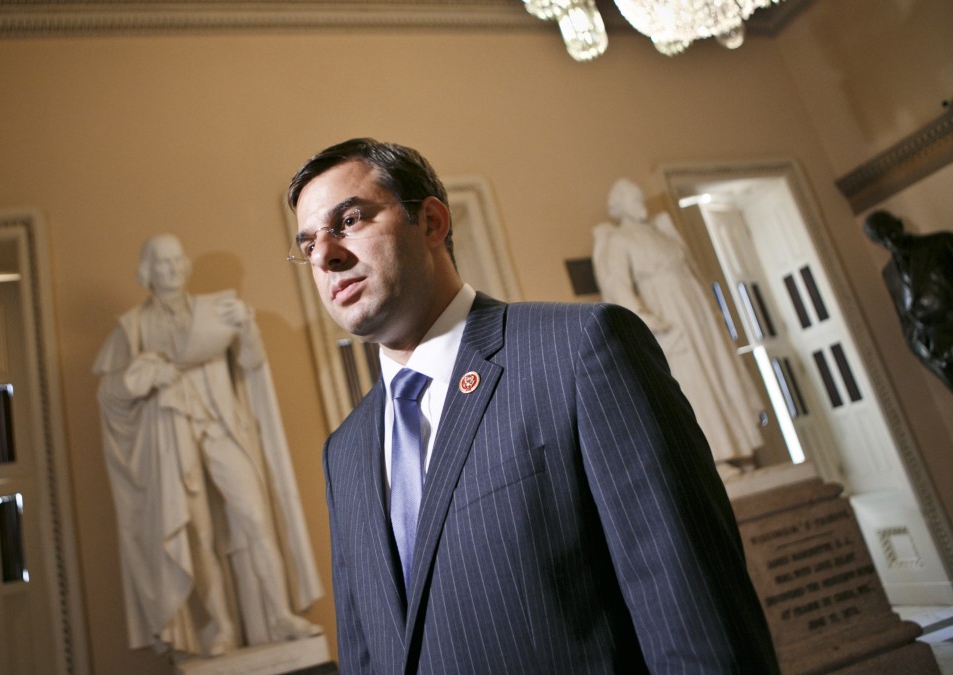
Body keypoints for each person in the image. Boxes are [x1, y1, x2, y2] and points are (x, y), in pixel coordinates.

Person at [286, 138, 779, 673]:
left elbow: (694, 614)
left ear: (431, 222)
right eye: (308, 244)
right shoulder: (346, 450)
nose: (326, 255)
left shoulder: (580, 351)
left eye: (350, 220)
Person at [94, 234, 322, 657]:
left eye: (178, 259)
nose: (174, 268)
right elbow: (111, 392)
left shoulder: (215, 309)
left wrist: (247, 327)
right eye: (162, 263)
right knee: (197, 534)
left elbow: (251, 362)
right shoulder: (134, 326)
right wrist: (142, 377)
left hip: (222, 429)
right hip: (174, 438)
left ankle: (280, 615)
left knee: (255, 517)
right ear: (147, 271)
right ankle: (222, 626)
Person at [592, 178, 765, 477]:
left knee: (718, 373)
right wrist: (644, 317)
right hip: (667, 316)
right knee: (692, 383)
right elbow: (617, 284)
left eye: (640, 197)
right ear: (619, 206)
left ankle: (741, 445)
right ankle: (716, 456)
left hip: (695, 314)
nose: (641, 204)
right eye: (633, 199)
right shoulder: (620, 240)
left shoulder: (661, 234)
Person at [863, 210, 953, 417]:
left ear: (899, 223)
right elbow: (906, 320)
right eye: (880, 238)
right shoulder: (889, 275)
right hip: (938, 354)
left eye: (888, 231)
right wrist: (921, 347)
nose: (888, 240)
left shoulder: (942, 243)